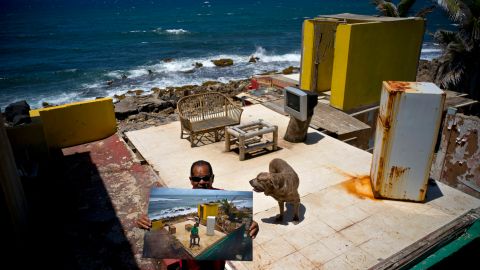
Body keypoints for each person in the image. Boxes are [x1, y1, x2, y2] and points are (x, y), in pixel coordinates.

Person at [137, 160, 259, 270]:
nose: (201, 182)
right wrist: (145, 221)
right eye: (196, 179)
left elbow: (237, 219)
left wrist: (252, 224)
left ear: (212, 178)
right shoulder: (184, 198)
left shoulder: (224, 198)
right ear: (191, 180)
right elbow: (160, 225)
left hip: (216, 264)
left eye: (206, 178)